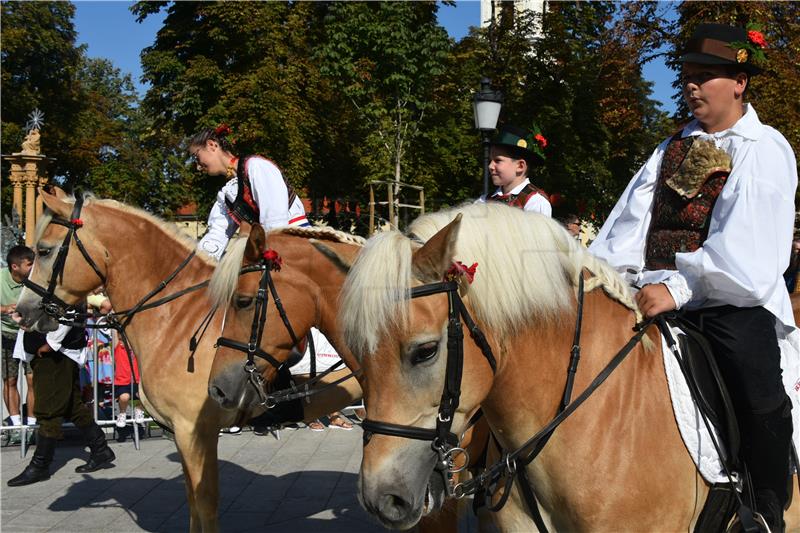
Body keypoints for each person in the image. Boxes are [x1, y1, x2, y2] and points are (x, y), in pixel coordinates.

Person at [589, 23, 797, 532]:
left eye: (705, 76)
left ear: (740, 82)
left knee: (756, 387)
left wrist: (679, 289)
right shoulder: (669, 148)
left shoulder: (763, 148)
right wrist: (611, 279)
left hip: (729, 299)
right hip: (647, 293)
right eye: (688, 76)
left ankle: (767, 505)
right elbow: (626, 227)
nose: (691, 86)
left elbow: (747, 254)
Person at [7, 316, 116, 486]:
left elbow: (69, 311)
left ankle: (40, 465)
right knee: (73, 406)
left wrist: (51, 344)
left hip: (56, 352)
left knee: (48, 409)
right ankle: (100, 449)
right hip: (48, 349)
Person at [188, 124, 310, 260]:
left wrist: (266, 257)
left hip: (299, 248)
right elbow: (216, 236)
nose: (198, 167)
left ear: (212, 145)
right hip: (268, 253)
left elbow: (275, 224)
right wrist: (195, 265)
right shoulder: (227, 194)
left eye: (196, 157)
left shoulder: (256, 167)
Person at [477, 124, 552, 216]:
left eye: (498, 160)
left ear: (520, 166)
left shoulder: (535, 202)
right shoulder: (483, 201)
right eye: (490, 160)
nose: (490, 166)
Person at [1, 246, 35, 444]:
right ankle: (15, 426)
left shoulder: (36, 278)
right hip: (8, 335)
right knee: (10, 380)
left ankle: (32, 425)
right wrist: (4, 309)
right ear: (15, 267)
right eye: (28, 264)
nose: (32, 267)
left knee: (33, 380)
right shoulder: (0, 278)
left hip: (31, 333)